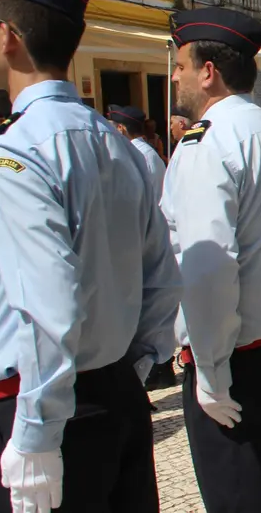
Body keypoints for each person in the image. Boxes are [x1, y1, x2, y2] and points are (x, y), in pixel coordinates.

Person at [0, 0, 180, 512]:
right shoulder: (116, 143)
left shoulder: (9, 152)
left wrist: (36, 433)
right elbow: (162, 275)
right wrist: (132, 366)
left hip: (42, 401)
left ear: (8, 36)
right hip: (114, 388)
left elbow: (48, 304)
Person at [163, 6, 261, 512]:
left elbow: (206, 264)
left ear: (208, 71)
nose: (175, 75)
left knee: (245, 496)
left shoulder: (206, 142)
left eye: (181, 64)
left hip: (239, 359)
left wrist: (207, 369)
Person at [108, 104, 175, 392]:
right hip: (155, 231)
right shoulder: (148, 155)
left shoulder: (136, 156)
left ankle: (159, 367)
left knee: (148, 301)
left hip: (146, 233)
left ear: (121, 128)